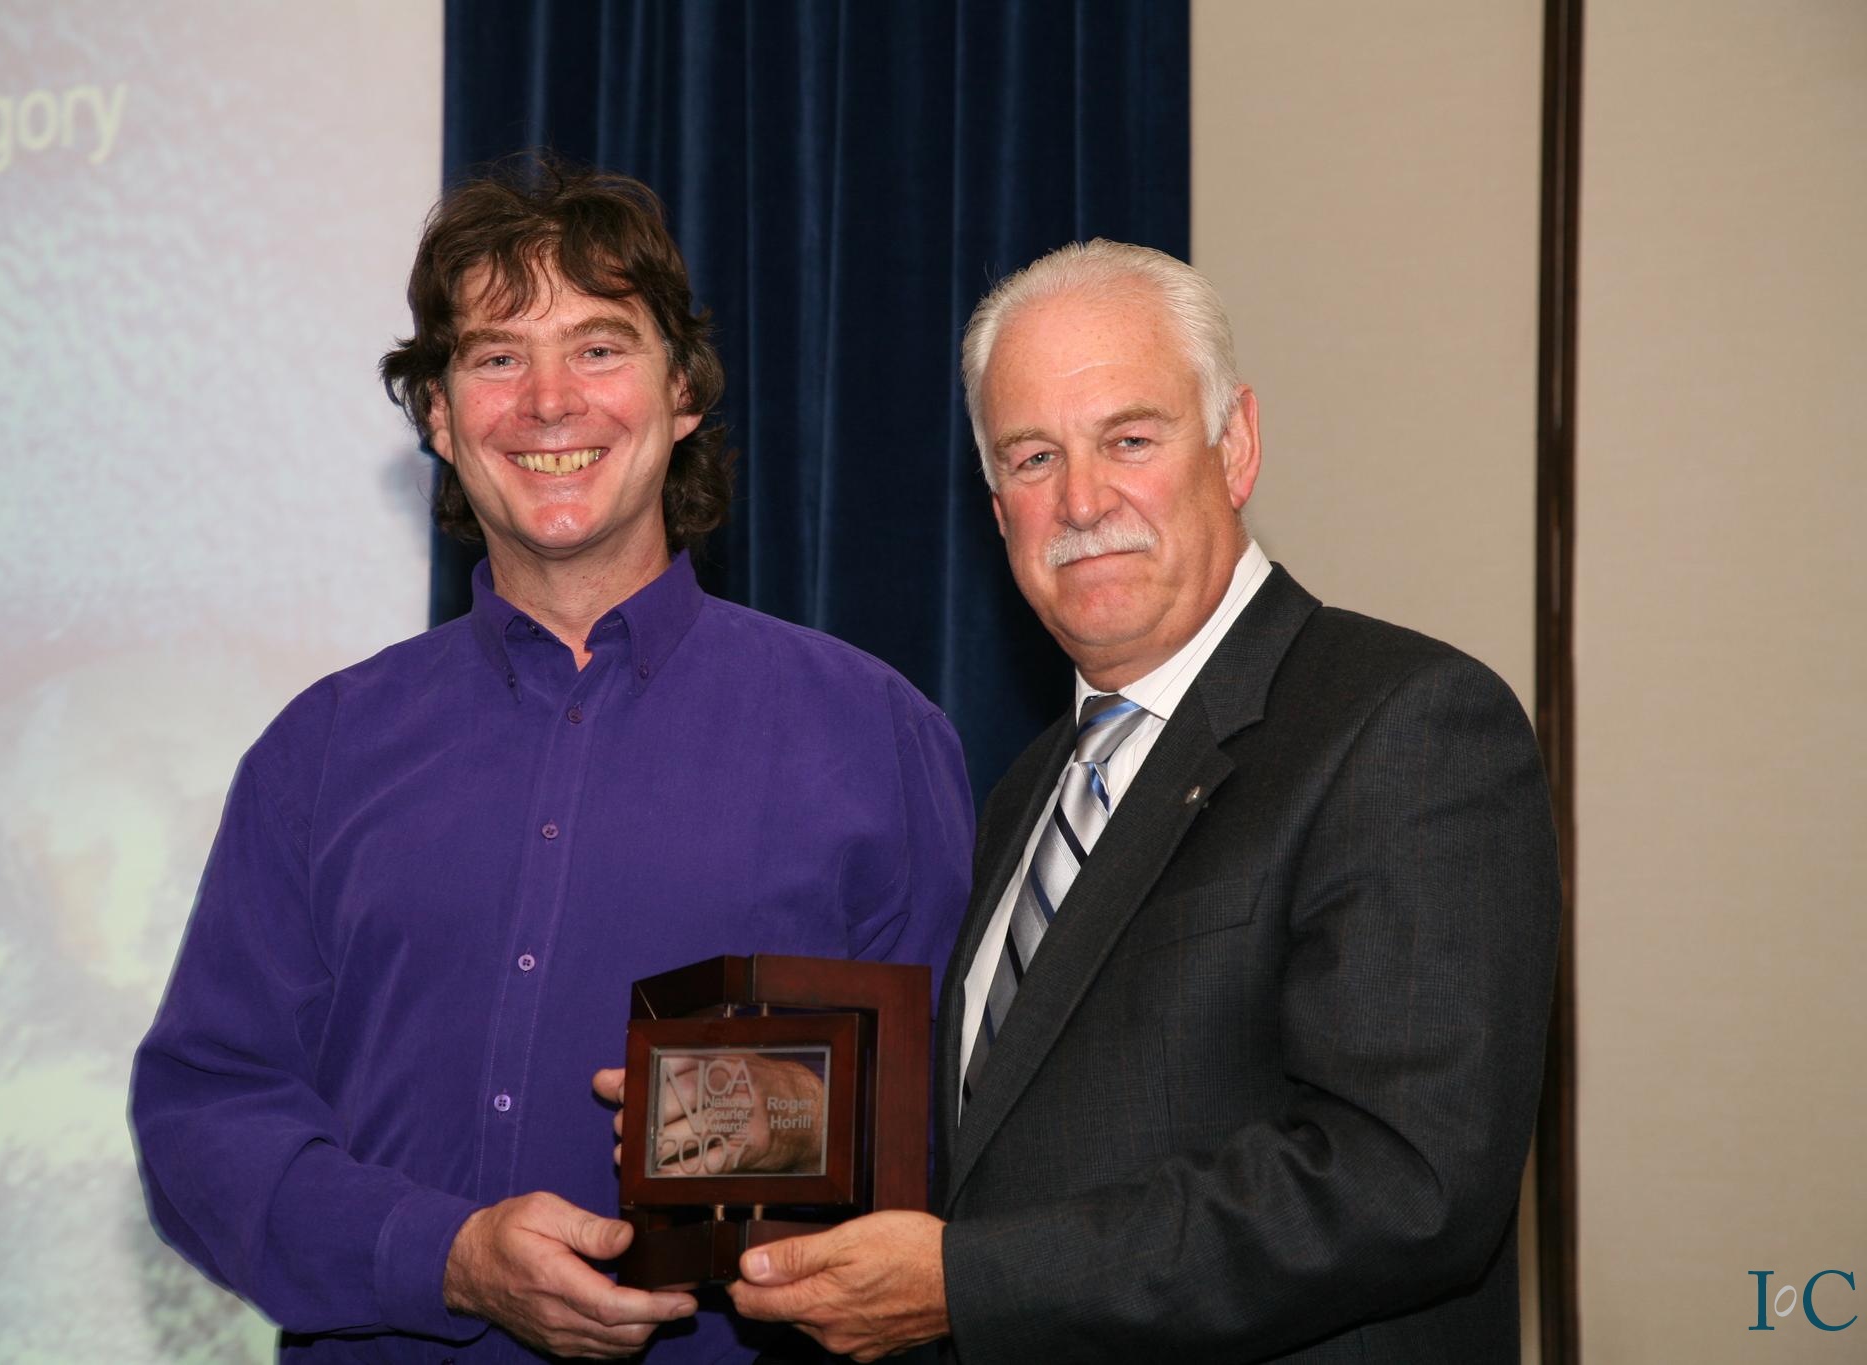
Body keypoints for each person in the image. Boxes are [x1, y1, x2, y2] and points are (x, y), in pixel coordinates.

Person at [129, 162, 973, 1364]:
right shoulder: (317, 752)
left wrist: (774, 1134)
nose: (547, 402)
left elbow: (953, 1140)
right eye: (494, 357)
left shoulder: (873, 735)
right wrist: (442, 1257)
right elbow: (204, 1116)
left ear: (681, 393)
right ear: (437, 416)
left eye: (597, 348)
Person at [727, 241, 1561, 1363]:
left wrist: (971, 1284)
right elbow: (1016, 1136)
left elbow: (1404, 1180)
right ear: (997, 508)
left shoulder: (1407, 723)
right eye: (1033, 457)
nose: (1081, 500)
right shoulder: (1027, 790)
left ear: (1236, 446)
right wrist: (751, 1122)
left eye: (1128, 439)